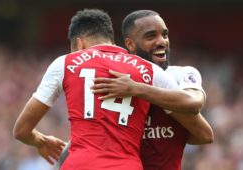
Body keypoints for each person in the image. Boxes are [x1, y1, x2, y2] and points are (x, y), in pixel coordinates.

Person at [13, 9, 197, 170]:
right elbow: (191, 106)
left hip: (79, 165)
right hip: (126, 165)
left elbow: (21, 130)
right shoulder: (148, 69)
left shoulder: (65, 63)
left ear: (79, 44)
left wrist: (40, 141)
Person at [91, 10, 214, 170]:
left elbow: (195, 106)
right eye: (151, 36)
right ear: (130, 44)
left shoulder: (181, 74)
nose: (162, 41)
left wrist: (136, 89)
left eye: (164, 35)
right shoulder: (116, 82)